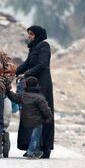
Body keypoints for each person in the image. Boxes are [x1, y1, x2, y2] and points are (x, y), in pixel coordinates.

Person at [15, 25, 54, 159]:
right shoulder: (34, 48)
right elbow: (27, 63)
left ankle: (44, 147)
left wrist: (27, 74)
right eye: (28, 34)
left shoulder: (44, 46)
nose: (29, 36)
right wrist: (14, 71)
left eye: (31, 34)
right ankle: (32, 146)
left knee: (42, 113)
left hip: (42, 84)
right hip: (32, 84)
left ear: (37, 35)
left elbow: (42, 64)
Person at [6, 77, 53, 159]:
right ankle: (31, 152)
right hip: (37, 121)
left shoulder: (23, 95)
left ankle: (37, 151)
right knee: (35, 137)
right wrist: (49, 118)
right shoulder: (39, 97)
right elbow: (45, 109)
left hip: (26, 120)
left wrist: (7, 91)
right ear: (37, 85)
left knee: (34, 136)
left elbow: (14, 97)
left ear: (26, 85)